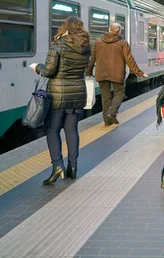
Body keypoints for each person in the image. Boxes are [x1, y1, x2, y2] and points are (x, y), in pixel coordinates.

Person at [29, 16, 91, 184]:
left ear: (65, 27)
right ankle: (73, 167)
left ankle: (58, 167)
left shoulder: (58, 44)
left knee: (52, 130)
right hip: (77, 94)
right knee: (72, 130)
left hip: (57, 95)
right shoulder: (86, 46)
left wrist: (36, 68)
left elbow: (49, 71)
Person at [85, 22, 148, 126]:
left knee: (105, 98)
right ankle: (112, 113)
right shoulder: (123, 43)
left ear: (109, 30)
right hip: (117, 73)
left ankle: (107, 121)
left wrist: (88, 72)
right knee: (119, 93)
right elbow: (130, 60)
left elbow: (92, 59)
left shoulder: (98, 42)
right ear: (119, 31)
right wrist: (139, 73)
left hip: (102, 73)